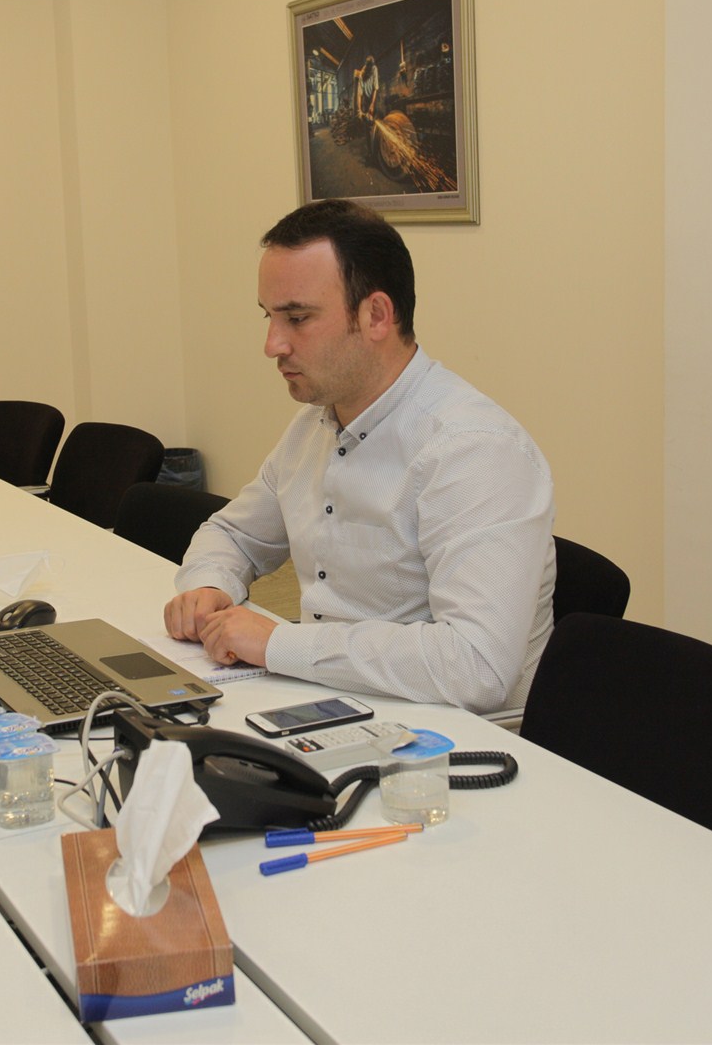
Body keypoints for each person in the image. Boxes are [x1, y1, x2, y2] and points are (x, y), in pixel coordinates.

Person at [163, 199, 556, 713]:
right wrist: (209, 585)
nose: (272, 344)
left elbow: (476, 666)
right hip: (335, 700)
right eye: (269, 317)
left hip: (450, 737)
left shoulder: (474, 449)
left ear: (376, 316)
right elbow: (234, 535)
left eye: (297, 318)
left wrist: (279, 643)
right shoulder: (315, 424)